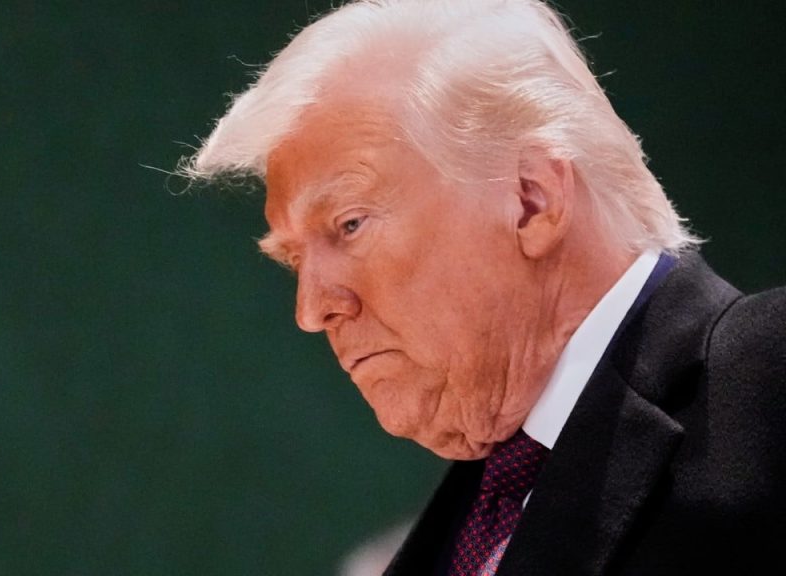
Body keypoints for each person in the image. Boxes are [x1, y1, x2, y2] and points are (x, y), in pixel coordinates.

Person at [182, 1, 786, 574]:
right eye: (293, 259)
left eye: (349, 224)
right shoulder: (476, 520)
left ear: (532, 201)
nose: (312, 310)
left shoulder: (769, 381)